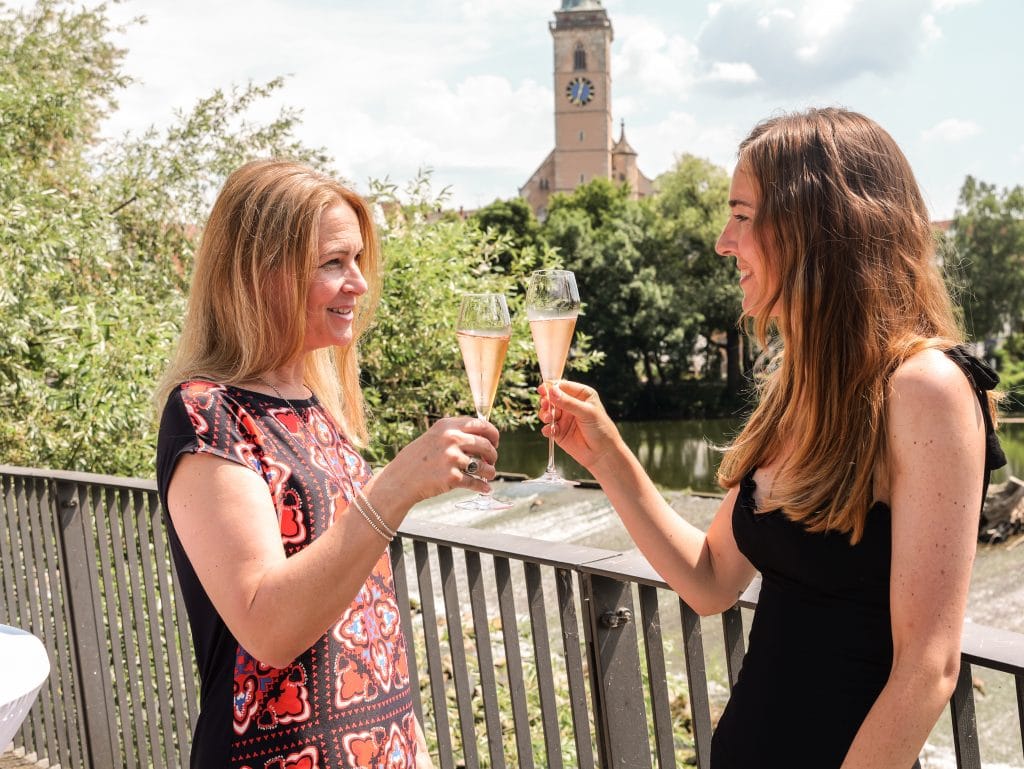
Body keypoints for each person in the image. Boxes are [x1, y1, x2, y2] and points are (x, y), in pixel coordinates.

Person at [538, 108, 1005, 769]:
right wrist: (607, 454)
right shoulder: (801, 391)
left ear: (815, 227)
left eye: (743, 215)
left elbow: (927, 669)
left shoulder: (926, 387)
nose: (724, 241)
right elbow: (710, 580)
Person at [155, 159, 500, 768]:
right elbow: (268, 627)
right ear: (263, 274)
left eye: (358, 260)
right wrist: (394, 487)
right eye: (333, 263)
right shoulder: (207, 413)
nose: (359, 284)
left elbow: (369, 615)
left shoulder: (316, 408)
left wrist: (411, 745)